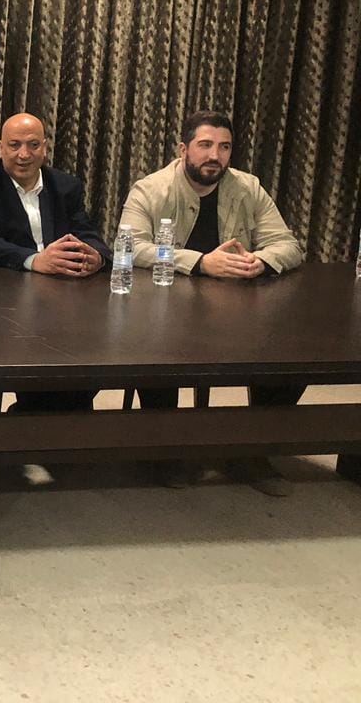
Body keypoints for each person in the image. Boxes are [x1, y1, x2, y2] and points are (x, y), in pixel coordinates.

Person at [120, 109, 305, 495]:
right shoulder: (150, 189)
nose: (214, 156)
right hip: (166, 309)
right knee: (153, 347)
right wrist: (201, 262)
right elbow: (131, 246)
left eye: (224, 147)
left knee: (294, 352)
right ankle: (163, 450)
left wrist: (260, 261)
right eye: (205, 145)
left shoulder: (248, 187)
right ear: (183, 149)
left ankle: (251, 447)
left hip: (237, 312)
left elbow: (287, 245)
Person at [0, 112, 110, 412]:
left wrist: (96, 256)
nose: (24, 154)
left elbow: (87, 232)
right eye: (14, 145)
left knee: (91, 353)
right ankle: (32, 420)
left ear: (45, 148)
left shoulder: (65, 186)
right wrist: (33, 260)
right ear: (0, 148)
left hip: (61, 301)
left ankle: (44, 421)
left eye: (33, 145)